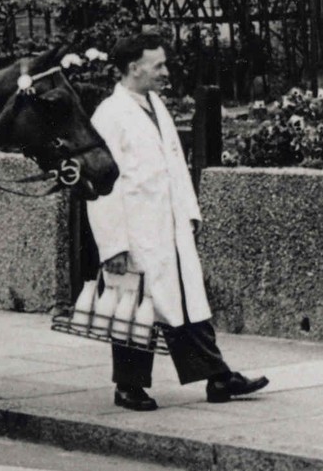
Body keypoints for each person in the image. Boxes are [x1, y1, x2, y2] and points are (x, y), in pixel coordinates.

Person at [87, 33, 269, 411]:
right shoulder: (109, 115)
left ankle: (218, 377)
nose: (165, 73)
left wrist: (189, 212)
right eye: (159, 66)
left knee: (187, 301)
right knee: (134, 307)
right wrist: (113, 245)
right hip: (134, 230)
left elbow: (175, 165)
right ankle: (128, 387)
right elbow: (101, 185)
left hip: (167, 226)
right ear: (134, 68)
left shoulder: (154, 105)